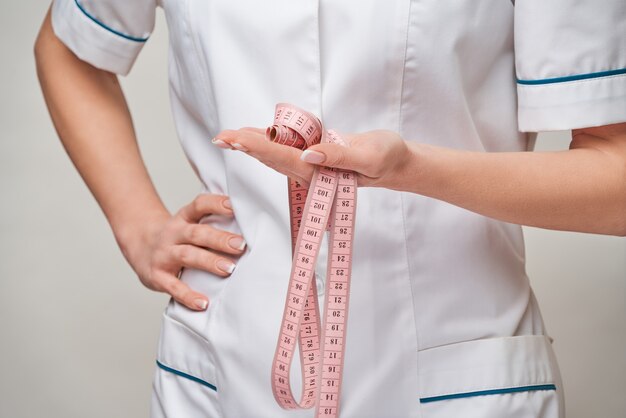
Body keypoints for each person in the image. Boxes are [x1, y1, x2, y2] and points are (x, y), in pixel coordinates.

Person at [34, 0, 625, 417]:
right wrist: (139, 226)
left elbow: (615, 179)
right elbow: (69, 47)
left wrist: (411, 170)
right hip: (222, 367)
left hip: (457, 370)